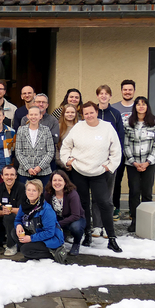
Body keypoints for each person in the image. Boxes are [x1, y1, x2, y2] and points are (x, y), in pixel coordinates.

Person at [60, 101, 122, 252]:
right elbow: (66, 145)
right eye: (85, 113)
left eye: (91, 112)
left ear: (96, 111)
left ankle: (112, 238)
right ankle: (87, 234)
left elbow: (116, 149)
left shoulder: (107, 127)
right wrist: (68, 160)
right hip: (79, 170)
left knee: (104, 203)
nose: (88, 116)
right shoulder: (78, 127)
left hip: (99, 172)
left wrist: (110, 166)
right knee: (83, 204)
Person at [123, 96, 155, 233]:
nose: (141, 106)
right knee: (134, 192)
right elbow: (125, 144)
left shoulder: (154, 122)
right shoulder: (128, 122)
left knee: (147, 192)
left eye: (143, 104)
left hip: (149, 164)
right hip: (132, 163)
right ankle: (134, 220)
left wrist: (146, 162)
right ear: (135, 107)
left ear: (147, 106)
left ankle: (148, 221)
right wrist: (134, 162)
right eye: (138, 104)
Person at [9, 179, 67, 263]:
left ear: (39, 192)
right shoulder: (25, 204)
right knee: (14, 232)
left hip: (50, 239)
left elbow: (49, 232)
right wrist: (18, 225)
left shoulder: (46, 210)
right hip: (35, 233)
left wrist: (30, 238)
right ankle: (30, 254)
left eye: (34, 190)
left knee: (24, 249)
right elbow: (18, 219)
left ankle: (53, 253)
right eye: (28, 190)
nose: (30, 193)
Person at [96, 85, 125, 222]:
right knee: (96, 192)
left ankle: (107, 221)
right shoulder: (92, 112)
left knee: (108, 192)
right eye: (101, 93)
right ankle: (96, 222)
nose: (103, 96)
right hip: (94, 159)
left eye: (106, 94)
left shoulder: (115, 113)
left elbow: (120, 137)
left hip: (110, 160)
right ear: (97, 96)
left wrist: (115, 158)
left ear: (110, 96)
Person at [44, 170, 85, 256]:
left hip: (75, 219)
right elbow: (46, 211)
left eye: (60, 180)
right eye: (54, 180)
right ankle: (60, 240)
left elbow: (75, 215)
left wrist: (58, 224)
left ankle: (76, 243)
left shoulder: (72, 194)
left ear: (65, 182)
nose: (57, 183)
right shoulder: (48, 194)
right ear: (51, 182)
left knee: (76, 227)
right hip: (58, 218)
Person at [15, 107, 54, 187]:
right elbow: (18, 151)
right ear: (27, 116)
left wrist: (40, 167)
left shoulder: (46, 130)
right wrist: (28, 168)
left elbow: (50, 152)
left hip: (43, 172)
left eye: (36, 114)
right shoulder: (21, 130)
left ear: (40, 116)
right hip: (25, 172)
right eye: (31, 114)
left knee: (43, 196)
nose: (33, 117)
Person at [0, 165, 25, 251]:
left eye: (12, 175)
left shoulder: (22, 188)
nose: (9, 177)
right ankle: (5, 239)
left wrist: (1, 207)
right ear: (2, 176)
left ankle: (11, 246)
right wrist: (3, 211)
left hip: (19, 220)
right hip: (2, 218)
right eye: (6, 175)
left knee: (9, 217)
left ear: (16, 176)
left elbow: (21, 211)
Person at [55, 103, 81, 168]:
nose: (70, 114)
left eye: (72, 112)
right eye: (67, 112)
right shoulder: (58, 127)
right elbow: (55, 146)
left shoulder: (80, 127)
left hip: (78, 163)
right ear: (63, 113)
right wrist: (62, 163)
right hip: (62, 163)